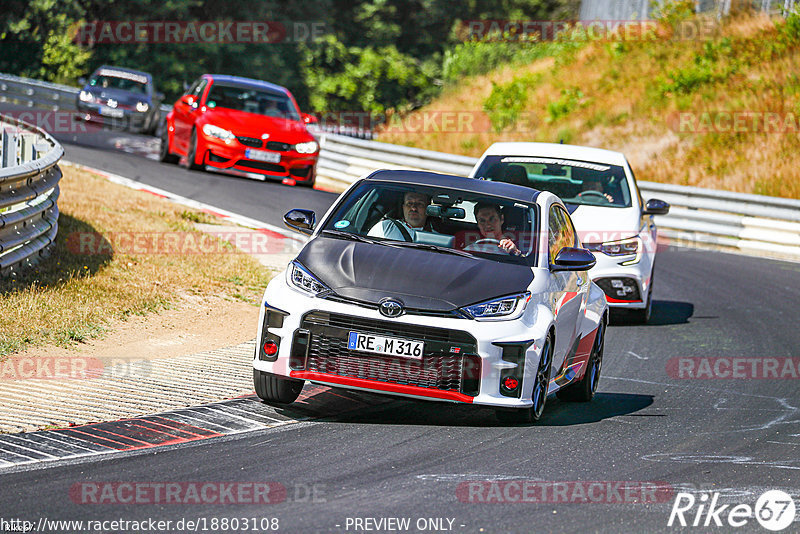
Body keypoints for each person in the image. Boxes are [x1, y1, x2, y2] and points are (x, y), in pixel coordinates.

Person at [368, 191, 435, 242]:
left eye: (420, 204)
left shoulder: (438, 238)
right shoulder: (384, 227)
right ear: (403, 207)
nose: (413, 208)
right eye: (409, 203)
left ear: (428, 209)